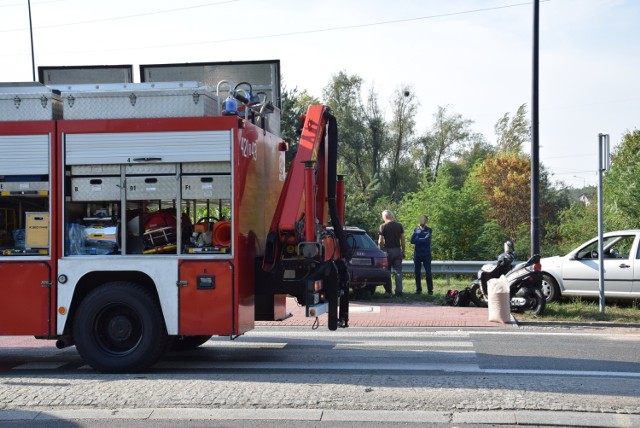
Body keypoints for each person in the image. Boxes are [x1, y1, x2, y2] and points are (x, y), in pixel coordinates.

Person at [378, 210, 405, 296]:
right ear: (391, 216)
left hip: (387, 251)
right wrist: (403, 251)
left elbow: (380, 241)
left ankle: (388, 292)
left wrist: (380, 250)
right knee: (398, 272)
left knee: (387, 272)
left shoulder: (383, 226)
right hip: (397, 250)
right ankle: (399, 291)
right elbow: (403, 240)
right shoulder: (399, 225)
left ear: (385, 217)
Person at [411, 215, 433, 295]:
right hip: (417, 254)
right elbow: (412, 240)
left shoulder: (429, 230)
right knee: (417, 273)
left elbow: (427, 240)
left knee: (428, 273)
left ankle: (430, 291)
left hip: (426, 254)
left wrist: (418, 239)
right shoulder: (415, 229)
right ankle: (418, 290)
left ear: (426, 221)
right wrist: (422, 239)